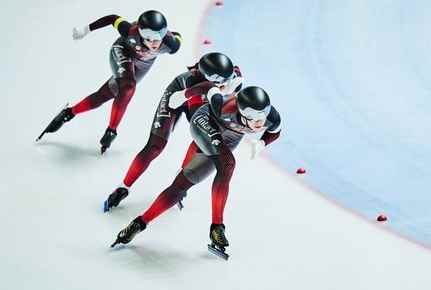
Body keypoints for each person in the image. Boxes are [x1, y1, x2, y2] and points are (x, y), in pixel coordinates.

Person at [111, 86, 281, 258]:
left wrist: (261, 143)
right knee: (228, 163)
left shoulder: (272, 118)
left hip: (228, 139)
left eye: (263, 117)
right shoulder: (224, 107)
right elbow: (209, 88)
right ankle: (217, 228)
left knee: (181, 186)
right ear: (242, 112)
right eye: (254, 118)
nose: (260, 123)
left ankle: (138, 223)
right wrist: (182, 95)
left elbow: (275, 132)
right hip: (204, 123)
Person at [104, 52, 243, 211]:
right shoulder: (194, 80)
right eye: (220, 83)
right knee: (155, 146)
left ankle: (181, 177)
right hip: (178, 95)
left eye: (227, 80)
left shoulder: (235, 78)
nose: (225, 85)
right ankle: (123, 187)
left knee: (207, 137)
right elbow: (197, 114)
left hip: (203, 100)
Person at [37, 10, 182, 153]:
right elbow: (112, 18)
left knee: (104, 95)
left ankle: (69, 113)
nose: (153, 43)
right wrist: (85, 30)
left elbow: (177, 37)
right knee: (128, 87)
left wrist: (174, 35)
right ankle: (112, 131)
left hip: (142, 65)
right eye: (148, 38)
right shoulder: (130, 31)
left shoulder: (171, 45)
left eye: (157, 39)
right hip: (122, 51)